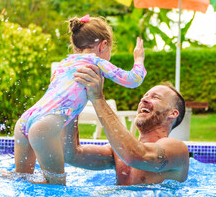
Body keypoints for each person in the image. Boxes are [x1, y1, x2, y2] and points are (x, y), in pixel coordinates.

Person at [13, 14, 147, 184]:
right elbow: (133, 79)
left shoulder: (64, 64)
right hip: (43, 128)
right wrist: (139, 59)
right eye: (110, 50)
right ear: (103, 46)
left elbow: (62, 103)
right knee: (56, 186)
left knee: (21, 180)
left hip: (25, 121)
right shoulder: (96, 62)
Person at [60, 65, 189, 185]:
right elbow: (71, 155)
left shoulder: (177, 149)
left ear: (173, 113)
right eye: (144, 96)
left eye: (155, 97)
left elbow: (137, 155)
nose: (143, 100)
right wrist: (72, 103)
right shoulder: (118, 152)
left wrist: (98, 99)